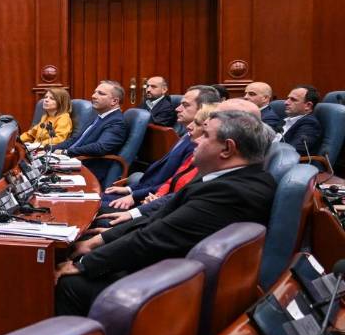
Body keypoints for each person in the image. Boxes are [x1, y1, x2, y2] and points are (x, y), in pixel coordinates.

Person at [55, 110, 276, 315]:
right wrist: (95, 243)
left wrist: (85, 264)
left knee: (69, 283)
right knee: (81, 243)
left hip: (173, 285)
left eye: (205, 135)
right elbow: (158, 218)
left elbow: (155, 237)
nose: (195, 140)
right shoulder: (224, 178)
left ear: (227, 149)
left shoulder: (231, 192)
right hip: (168, 264)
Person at [100, 86, 218, 212]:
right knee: (91, 198)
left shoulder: (198, 146)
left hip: (153, 201)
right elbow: (162, 176)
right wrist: (129, 189)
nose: (177, 109)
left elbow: (174, 184)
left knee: (92, 204)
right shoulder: (187, 136)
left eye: (185, 105)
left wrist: (134, 196)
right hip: (144, 192)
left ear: (203, 109)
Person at [52, 80, 128, 176]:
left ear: (114, 101)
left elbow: (100, 147)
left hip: (87, 169)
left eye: (101, 93)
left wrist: (66, 152)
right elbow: (76, 139)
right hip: (72, 161)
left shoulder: (117, 122)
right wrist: (50, 149)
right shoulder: (98, 115)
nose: (93, 96)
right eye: (95, 92)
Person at [280, 85, 323, 158]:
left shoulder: (310, 125)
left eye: (293, 99)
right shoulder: (285, 119)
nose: (286, 102)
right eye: (288, 98)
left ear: (308, 105)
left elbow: (292, 153)